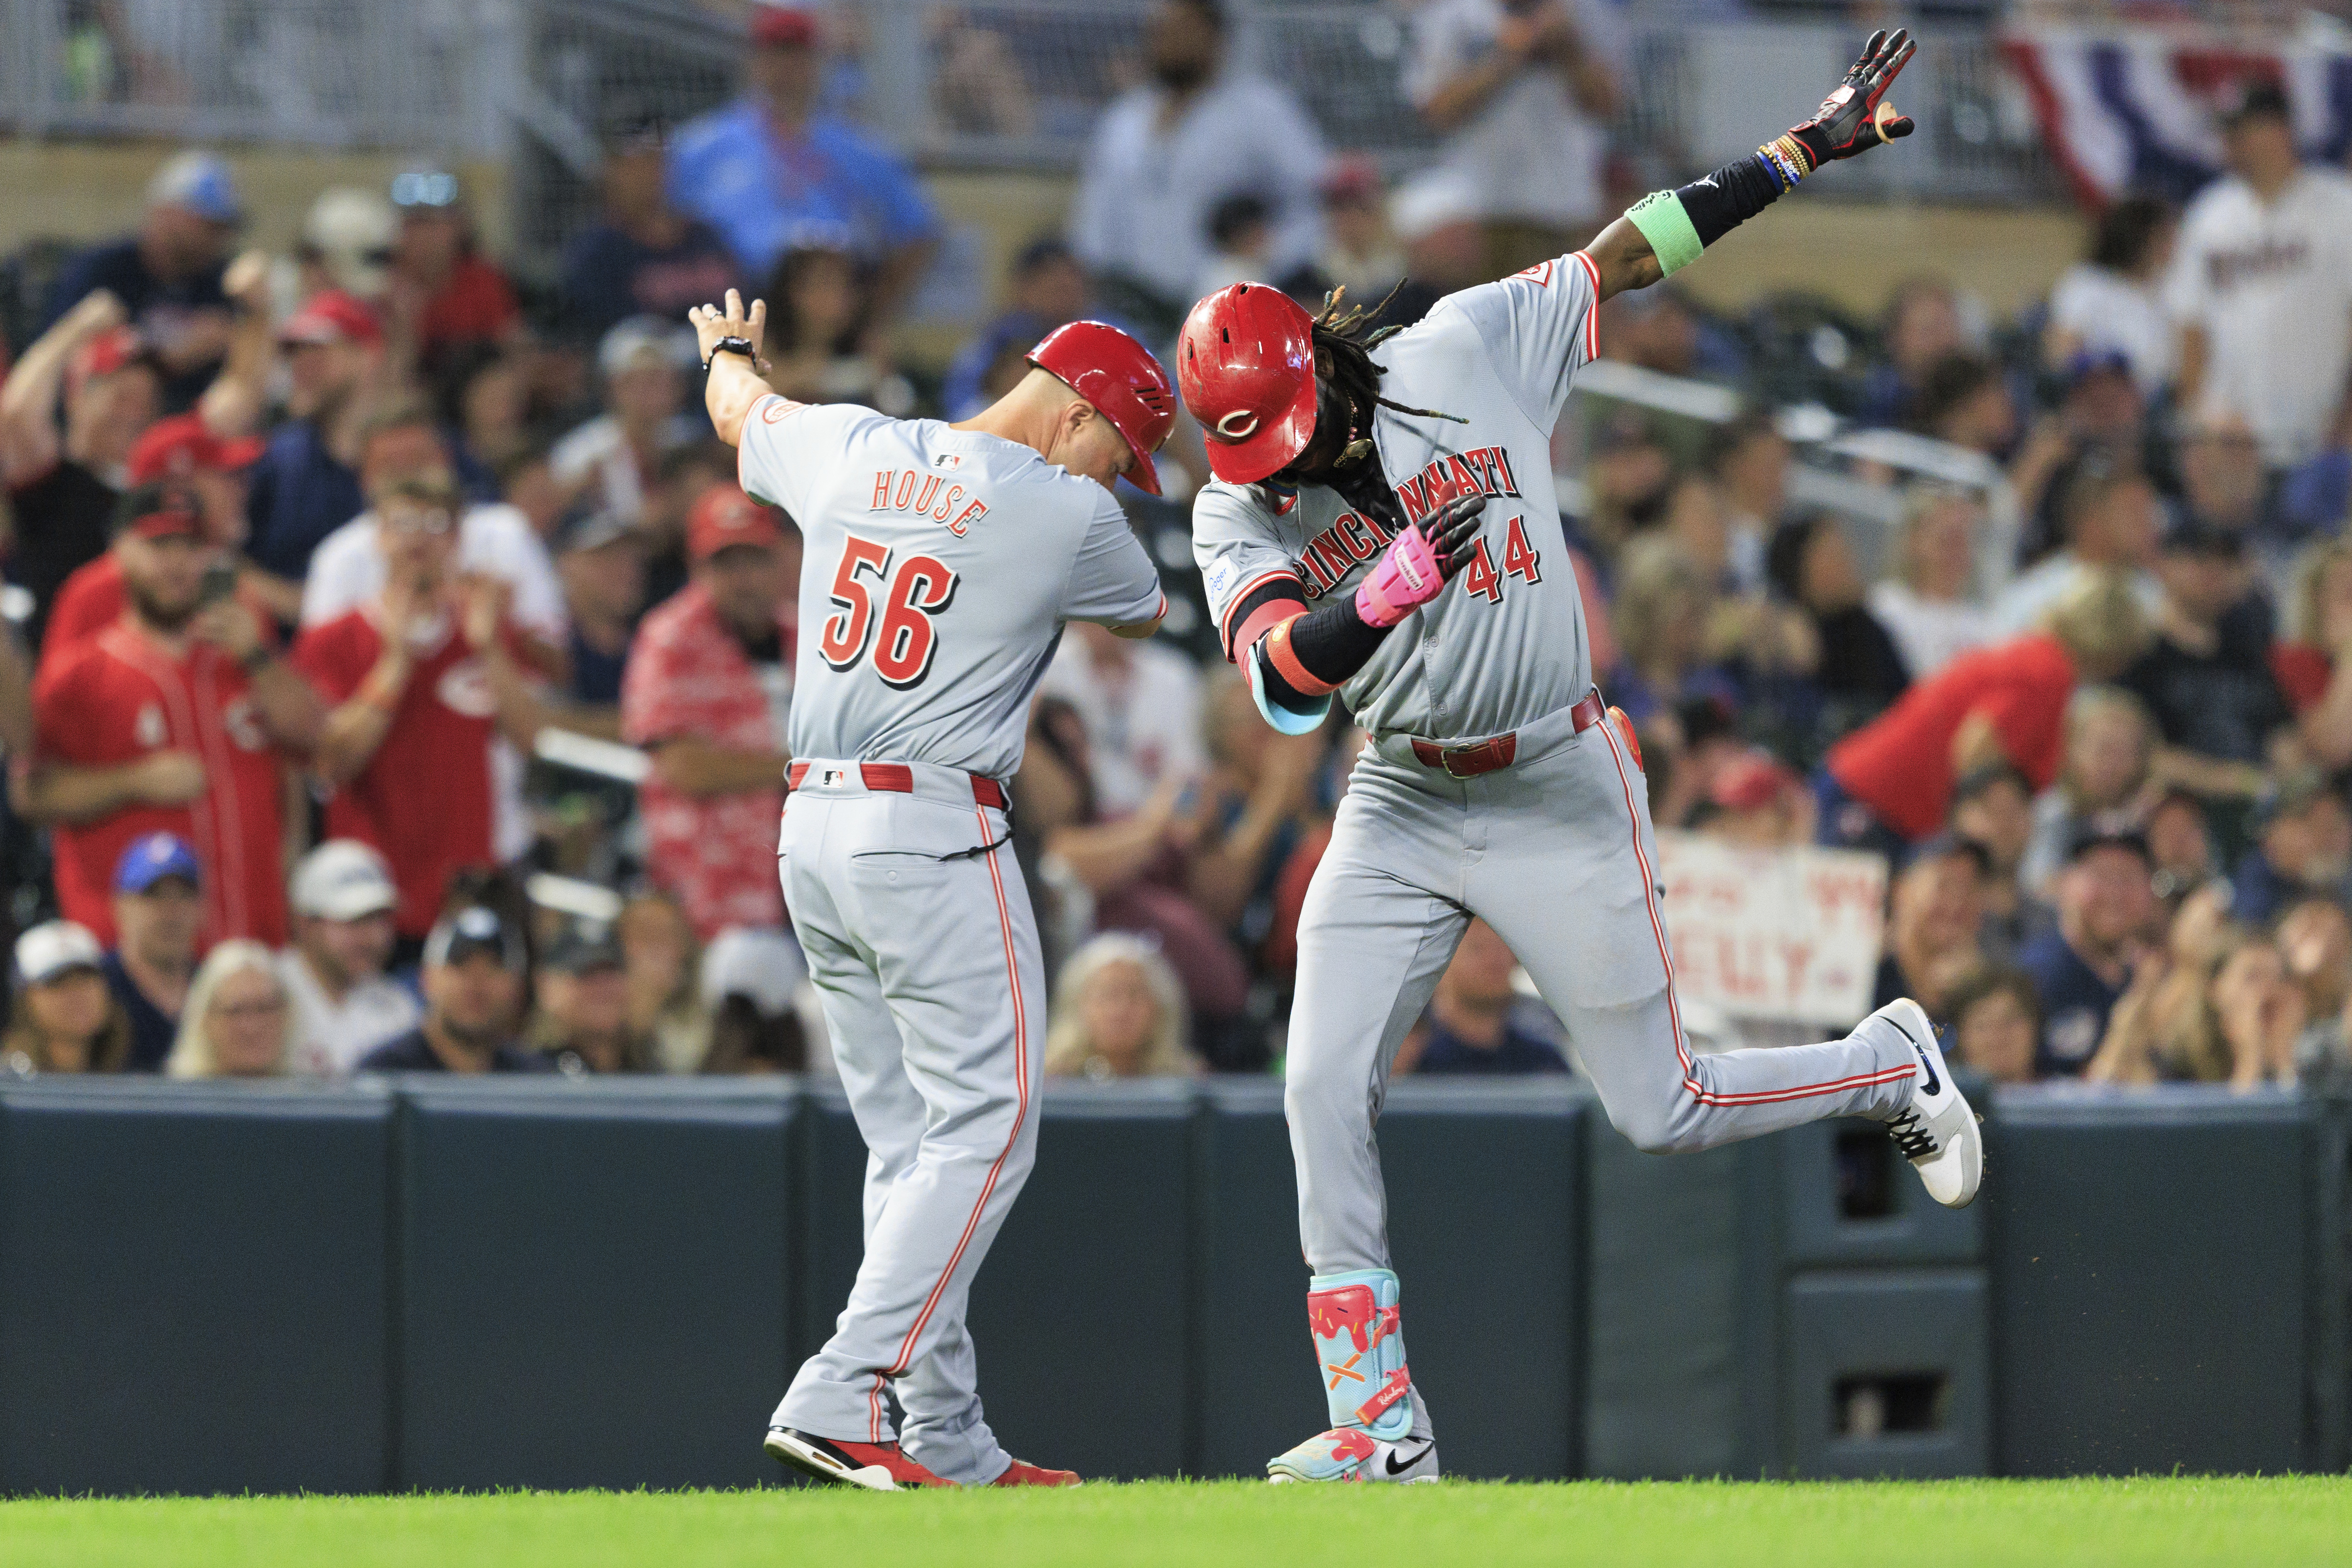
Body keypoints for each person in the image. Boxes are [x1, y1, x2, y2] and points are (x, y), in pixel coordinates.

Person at [1174, 32, 1975, 1485]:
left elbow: (1629, 251)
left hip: (1553, 776)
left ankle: (1883, 1061)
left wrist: (1795, 152)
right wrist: (1376, 594)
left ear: (1322, 368)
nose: (1282, 471)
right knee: (1315, 1084)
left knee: (1659, 1108)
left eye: (1290, 436)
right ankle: (1379, 1424)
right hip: (1403, 790)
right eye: (1257, 455)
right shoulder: (1238, 515)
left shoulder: (1458, 348)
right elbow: (1287, 688)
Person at [694, 278, 1173, 1489]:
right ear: (1075, 416)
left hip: (811, 828)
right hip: (930, 827)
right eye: (1123, 451)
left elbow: (738, 406)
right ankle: (843, 1386)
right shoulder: (1070, 512)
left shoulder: (849, 441)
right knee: (992, 1123)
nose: (1119, 477)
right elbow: (1156, 608)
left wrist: (736, 348)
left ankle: (944, 1434)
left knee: (912, 1143)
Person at [23, 485, 322, 946]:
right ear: (120, 552)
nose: (177, 564)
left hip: (254, 942)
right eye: (158, 546)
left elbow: (313, 735)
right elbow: (34, 795)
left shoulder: (244, 653)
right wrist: (134, 781)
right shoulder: (82, 673)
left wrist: (259, 659)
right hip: (136, 961)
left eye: (190, 546)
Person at [295, 472, 545, 950]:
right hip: (372, 896)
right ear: (378, 537)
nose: (418, 536)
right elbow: (332, 762)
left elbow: (533, 740)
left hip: (469, 887)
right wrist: (396, 663)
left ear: (457, 540)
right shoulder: (334, 640)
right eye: (402, 522)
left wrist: (490, 650)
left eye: (435, 523)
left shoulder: (484, 630)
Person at [1819, 573, 2150, 856]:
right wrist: (1965, 847)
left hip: (1878, 800)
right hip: (1872, 805)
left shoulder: (2038, 657)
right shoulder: (2048, 672)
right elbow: (1976, 746)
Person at [1068, 0, 1327, 335]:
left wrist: (1272, 255)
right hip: (1130, 307)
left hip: (1226, 306)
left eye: (1184, 30)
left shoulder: (1262, 110)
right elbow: (1093, 220)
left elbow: (1316, 199)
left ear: (1216, 36)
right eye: (1161, 32)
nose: (1170, 42)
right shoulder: (1124, 119)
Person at [667, 7, 940, 323]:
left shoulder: (858, 150)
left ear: (817, 63)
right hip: (730, 313)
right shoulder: (702, 145)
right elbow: (660, 225)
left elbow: (919, 232)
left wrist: (871, 320)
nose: (786, 68)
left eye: (798, 55)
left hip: (826, 321)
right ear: (753, 61)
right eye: (775, 54)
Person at [621, 483, 801, 940]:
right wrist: (804, 769)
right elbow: (683, 768)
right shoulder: (670, 638)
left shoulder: (811, 632)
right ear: (696, 567)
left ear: (780, 559)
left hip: (807, 883)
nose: (743, 578)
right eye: (726, 563)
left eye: (755, 559)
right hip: (710, 891)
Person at [2168, 80, 2352, 472]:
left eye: (2241, 130)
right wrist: (2194, 426)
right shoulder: (2209, 214)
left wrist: (2345, 424)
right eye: (2227, 132)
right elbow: (2190, 331)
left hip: (2319, 443)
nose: (2230, 143)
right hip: (2229, 446)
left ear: (2279, 131)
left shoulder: (2340, 208)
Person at [1403, 0, 1627, 276]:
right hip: (1480, 210)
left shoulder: (1588, 13)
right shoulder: (1455, 15)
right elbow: (1436, 109)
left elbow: (1610, 105)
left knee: (1568, 315)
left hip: (1567, 208)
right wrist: (1509, 56)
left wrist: (1567, 47)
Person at [42, 410, 268, 669]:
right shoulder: (94, 592)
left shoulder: (230, 581)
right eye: (225, 477)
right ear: (177, 490)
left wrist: (258, 659)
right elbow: (56, 703)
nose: (240, 490)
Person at [0, 296, 163, 644]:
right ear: (78, 397)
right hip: (49, 665)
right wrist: (78, 328)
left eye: (147, 402)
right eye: (121, 397)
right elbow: (16, 414)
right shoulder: (53, 477)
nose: (135, 415)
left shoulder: (157, 490)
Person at [38, 150, 241, 407]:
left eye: (222, 228)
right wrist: (171, 355)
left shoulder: (223, 284)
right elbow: (56, 356)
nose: (217, 238)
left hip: (186, 427)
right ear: (166, 214)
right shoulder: (102, 270)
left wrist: (237, 341)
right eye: (207, 224)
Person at [2118, 514, 2292, 801]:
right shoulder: (2138, 657)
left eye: (2226, 559)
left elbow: (2281, 734)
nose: (2213, 571)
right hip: (2174, 815)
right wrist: (2242, 782)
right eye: (2198, 557)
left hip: (2261, 815)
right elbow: (2141, 755)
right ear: (2162, 564)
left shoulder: (2249, 650)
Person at [243, 289, 386, 596]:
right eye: (295, 353)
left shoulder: (418, 450)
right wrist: (305, 607)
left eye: (318, 352)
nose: (301, 366)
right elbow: (225, 556)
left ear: (366, 357)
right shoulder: (277, 457)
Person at [558, 110, 741, 348]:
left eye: (657, 159)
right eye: (635, 160)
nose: (649, 171)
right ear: (609, 170)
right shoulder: (595, 256)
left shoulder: (707, 239)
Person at [2017, 826, 2156, 1077]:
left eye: (2129, 878)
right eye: (2101, 876)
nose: (2115, 894)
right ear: (2065, 883)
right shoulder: (2034, 976)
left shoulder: (2156, 976)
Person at [279, 838, 418, 1077]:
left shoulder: (398, 1009)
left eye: (380, 920)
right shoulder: (265, 995)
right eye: (354, 922)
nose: (373, 937)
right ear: (305, 925)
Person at [1035, 619, 1203, 817]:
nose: (1101, 622)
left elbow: (1191, 764)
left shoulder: (1175, 676)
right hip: (1080, 821)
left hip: (1167, 822)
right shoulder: (1048, 672)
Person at [355, 906, 550, 1074]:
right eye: (460, 966)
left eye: (493, 968)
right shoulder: (384, 1075)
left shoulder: (535, 1082)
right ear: (427, 978)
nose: (476, 984)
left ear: (517, 985)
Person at [550, 317, 701, 528]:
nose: (649, 392)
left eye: (659, 379)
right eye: (637, 381)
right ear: (612, 389)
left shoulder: (693, 440)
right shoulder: (579, 454)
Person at [1990, 455, 2160, 636]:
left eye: (2149, 512)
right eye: (2134, 513)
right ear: (2092, 522)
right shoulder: (2036, 598)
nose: (2151, 524)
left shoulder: (2151, 592)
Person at [2018, 685, 2156, 900]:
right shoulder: (2052, 813)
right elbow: (2037, 886)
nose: (2113, 764)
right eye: (2103, 750)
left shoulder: (2154, 814)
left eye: (2126, 752)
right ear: (2073, 750)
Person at [940, 237, 1098, 422]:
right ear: (1024, 286)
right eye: (1051, 283)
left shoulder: (1109, 332)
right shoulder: (1000, 336)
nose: (1062, 292)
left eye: (1070, 282)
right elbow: (960, 407)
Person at [2045, 193, 2177, 397]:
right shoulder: (2087, 285)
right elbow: (2061, 355)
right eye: (2166, 237)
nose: (2174, 247)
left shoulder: (2168, 291)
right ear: (2143, 239)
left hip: (2160, 402)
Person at [1866, 486, 1994, 683]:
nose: (1955, 554)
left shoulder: (1983, 627)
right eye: (1946, 540)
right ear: (1913, 541)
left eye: (1964, 542)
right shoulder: (1886, 606)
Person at [1407, 918, 1567, 1075]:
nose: (1493, 960)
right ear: (1439, 963)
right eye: (1476, 948)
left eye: (1502, 946)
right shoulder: (1409, 1062)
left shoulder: (1543, 1064)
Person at [101, 831, 203, 1072]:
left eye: (184, 895)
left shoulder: (218, 987)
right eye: (154, 895)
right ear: (120, 906)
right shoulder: (99, 989)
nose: (171, 911)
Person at [1040, 933, 1196, 1079]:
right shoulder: (1047, 1081)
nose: (1120, 1010)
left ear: (1160, 1007)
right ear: (1076, 1003)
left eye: (1134, 994)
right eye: (1107, 994)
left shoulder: (1185, 1084)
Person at [1872, 834, 1988, 1023]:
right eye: (1945, 885)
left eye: (1972, 889)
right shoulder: (1863, 984)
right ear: (1901, 890)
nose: (1957, 902)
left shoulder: (1989, 994)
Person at [550, 505, 644, 726]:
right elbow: (540, 732)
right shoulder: (549, 648)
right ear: (565, 565)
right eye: (607, 556)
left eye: (632, 557)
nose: (626, 569)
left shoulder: (656, 647)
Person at [1, 920, 130, 1075]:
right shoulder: (8, 1082)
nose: (77, 994)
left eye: (86, 978)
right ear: (26, 1000)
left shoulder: (135, 1073)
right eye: (57, 983)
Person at [2230, 768, 2352, 926]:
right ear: (2278, 828)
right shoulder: (2252, 884)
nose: (2337, 841)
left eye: (2338, 826)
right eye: (2316, 830)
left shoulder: (2341, 879)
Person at [532, 923, 652, 1075]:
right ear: (549, 990)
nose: (603, 988)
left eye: (612, 973)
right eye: (586, 976)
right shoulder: (526, 1075)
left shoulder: (656, 1072)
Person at [164, 939, 293, 1079]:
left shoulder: (309, 1093)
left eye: (264, 1009)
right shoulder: (178, 1098)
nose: (251, 1027)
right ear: (206, 1020)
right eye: (236, 1011)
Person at [1942, 966, 2042, 1085]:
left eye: (2010, 1020)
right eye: (1982, 1025)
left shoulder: (2064, 1097)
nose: (1998, 1036)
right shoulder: (1937, 1102)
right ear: (1960, 1037)